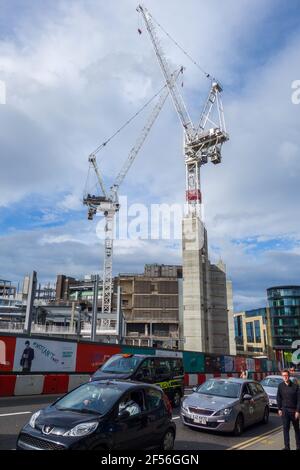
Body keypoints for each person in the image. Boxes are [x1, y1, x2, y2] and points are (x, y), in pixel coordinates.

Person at [277, 369, 300, 450]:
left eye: (286, 375)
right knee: (285, 429)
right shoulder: (280, 386)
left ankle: (298, 446)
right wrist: (279, 408)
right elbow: (278, 397)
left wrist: (298, 411)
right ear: (282, 377)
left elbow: (299, 399)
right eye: (283, 376)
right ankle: (287, 447)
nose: (285, 377)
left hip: (294, 411)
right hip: (285, 411)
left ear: (289, 376)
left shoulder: (295, 386)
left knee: (297, 430)